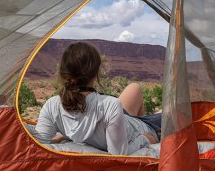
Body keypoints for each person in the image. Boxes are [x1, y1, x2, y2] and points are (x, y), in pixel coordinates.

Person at [33, 42, 161, 155]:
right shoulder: (110, 105)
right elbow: (119, 155)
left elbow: (39, 144)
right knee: (171, 111)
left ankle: (147, 116)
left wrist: (63, 137)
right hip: (144, 128)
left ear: (63, 73)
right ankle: (154, 116)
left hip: (124, 120)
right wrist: (145, 139)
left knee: (135, 87)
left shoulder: (51, 105)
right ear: (96, 74)